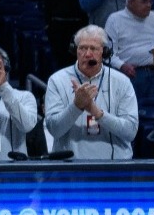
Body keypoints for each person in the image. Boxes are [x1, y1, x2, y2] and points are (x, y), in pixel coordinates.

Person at [43, 26, 138, 159]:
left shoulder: (121, 82)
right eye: (82, 48)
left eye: (93, 49)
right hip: (71, 169)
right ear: (75, 50)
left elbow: (130, 132)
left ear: (104, 52)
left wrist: (96, 112)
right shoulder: (57, 80)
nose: (87, 54)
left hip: (115, 168)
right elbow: (55, 130)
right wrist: (76, 106)